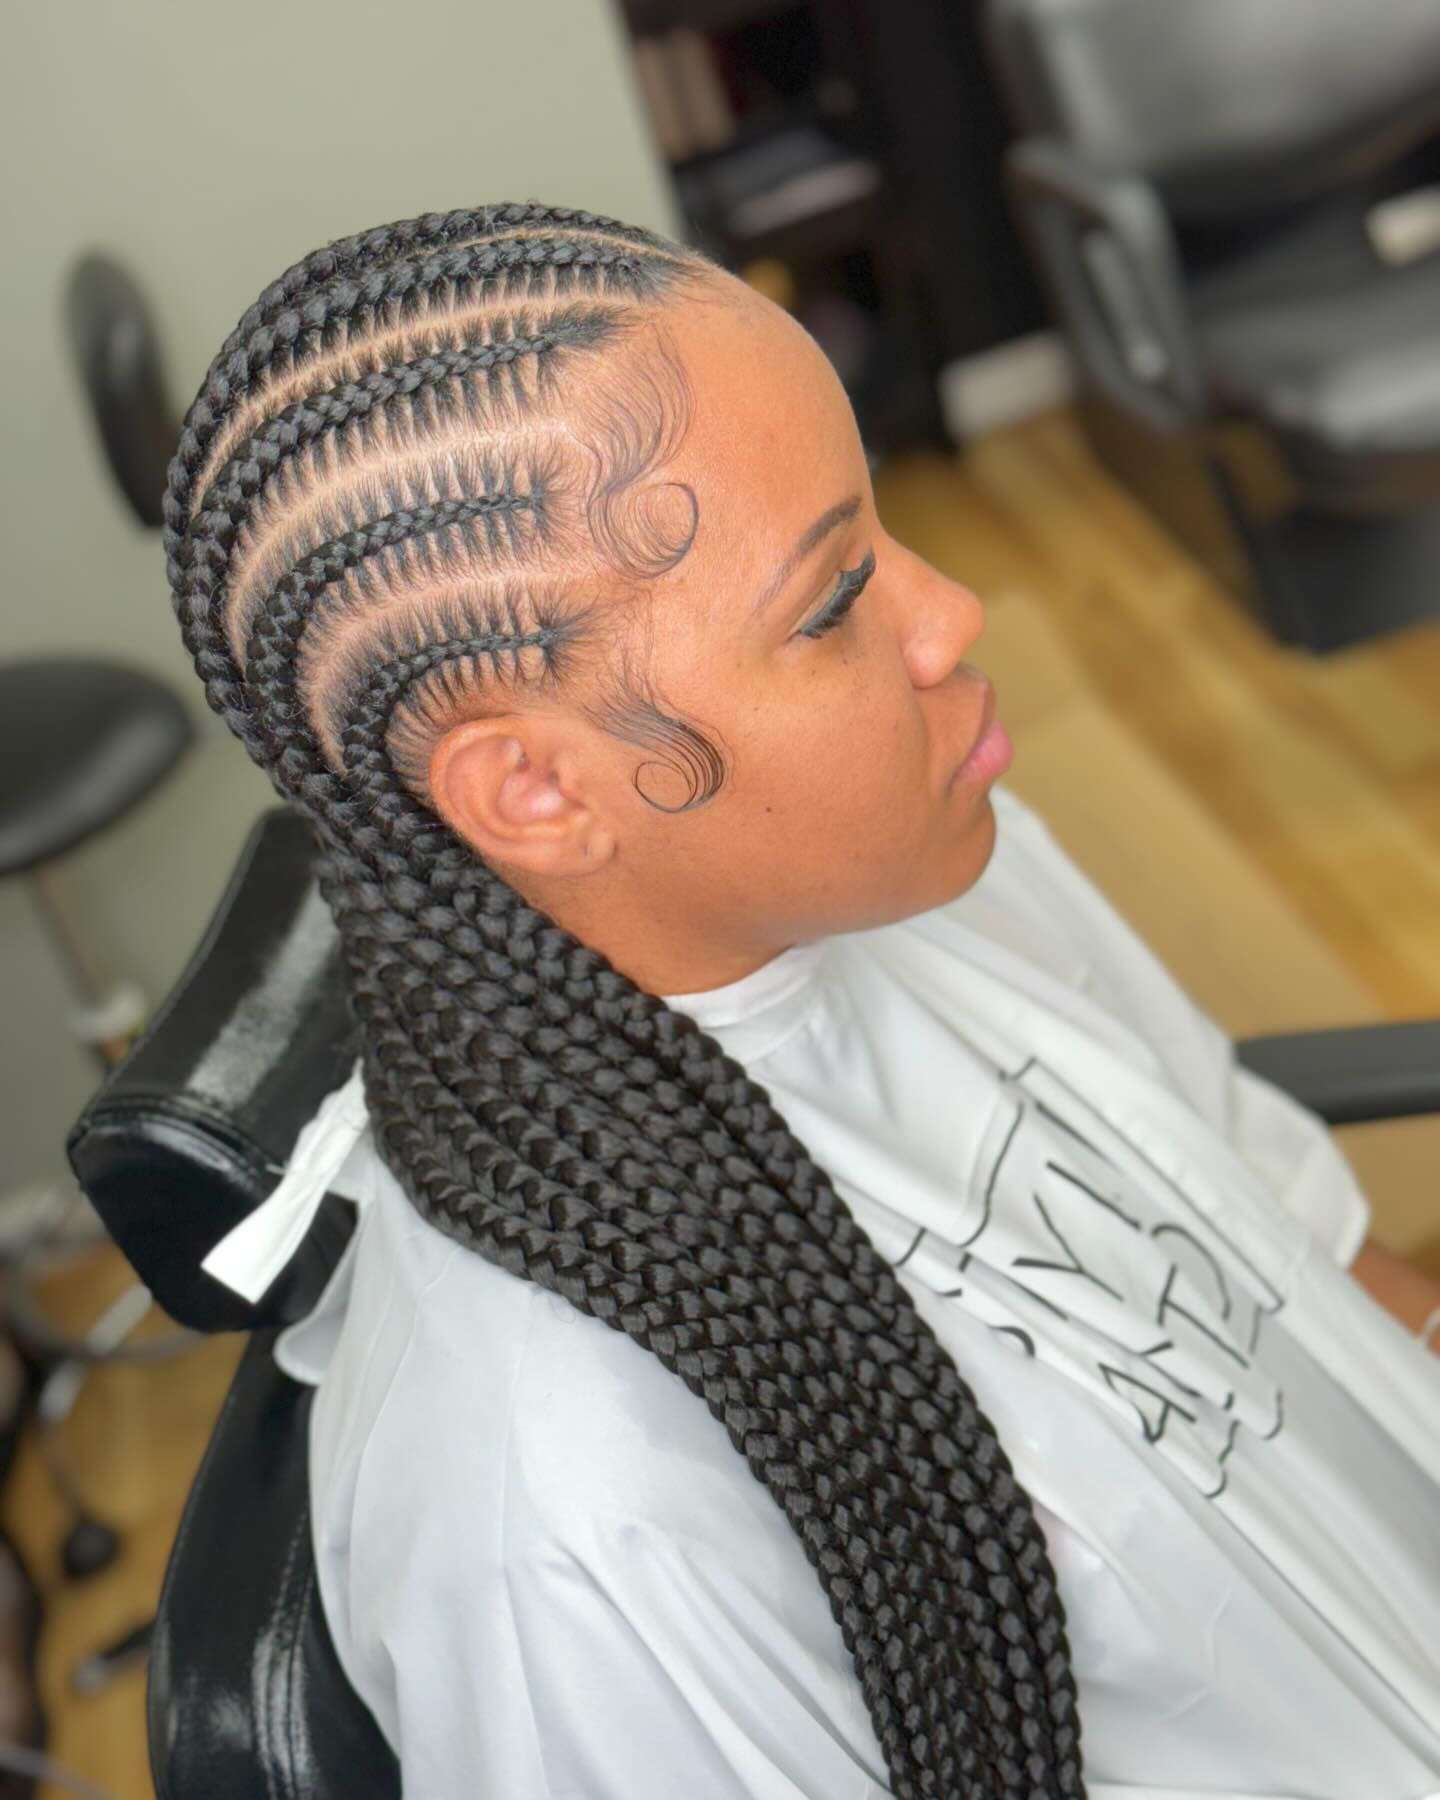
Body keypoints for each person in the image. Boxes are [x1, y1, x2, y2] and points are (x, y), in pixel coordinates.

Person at [168, 203, 1440, 1800]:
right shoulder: (573, 1526)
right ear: (539, 795)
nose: (950, 614)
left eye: (878, 525)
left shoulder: (933, 850)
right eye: (833, 602)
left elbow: (1290, 1248)